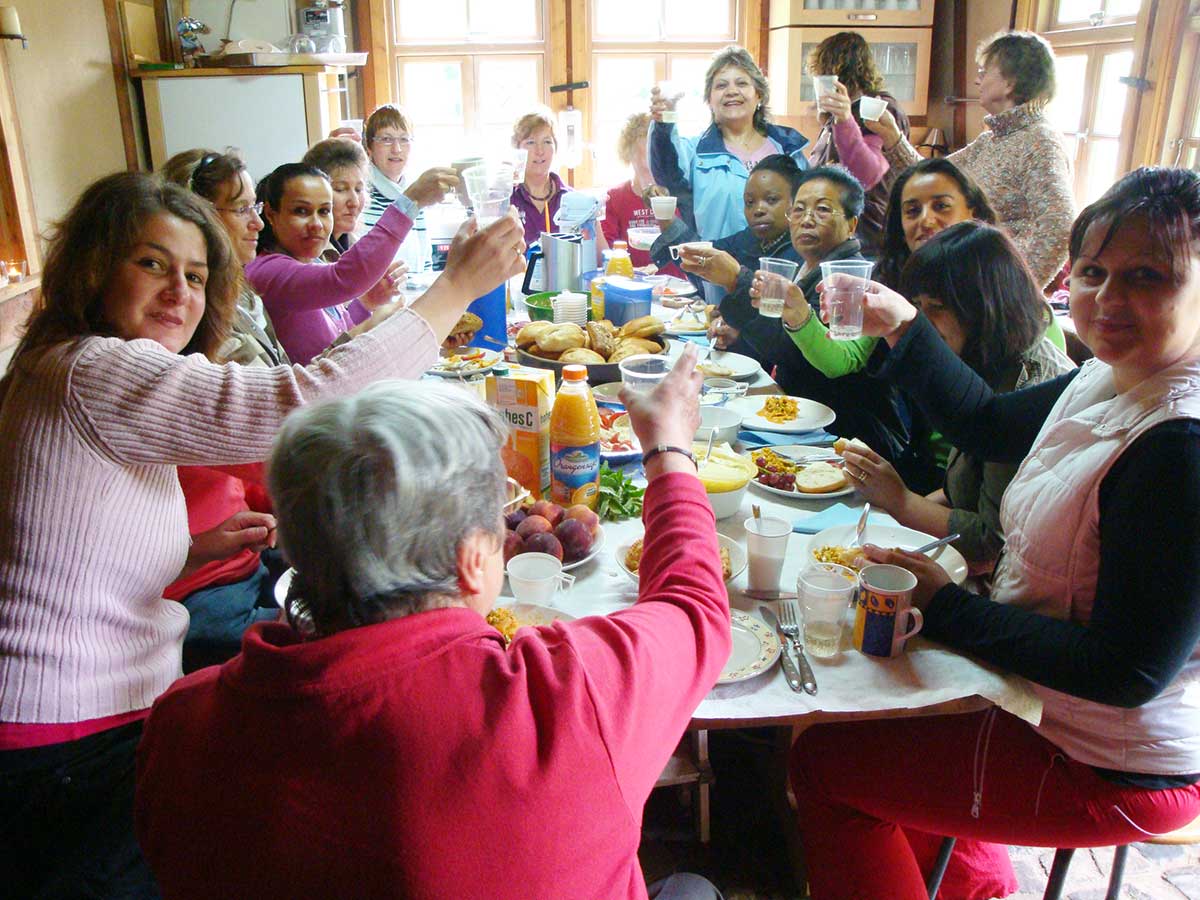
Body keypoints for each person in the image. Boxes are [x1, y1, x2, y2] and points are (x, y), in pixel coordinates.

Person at [0, 171, 525, 898]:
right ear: (94, 265)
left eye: (196, 273)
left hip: (71, 728)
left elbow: (53, 547)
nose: (180, 290)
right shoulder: (94, 369)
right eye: (151, 263)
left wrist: (192, 550)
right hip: (69, 745)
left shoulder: (57, 366)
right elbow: (300, 405)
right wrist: (453, 290)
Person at [134, 351, 731, 900]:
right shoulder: (565, 696)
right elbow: (694, 607)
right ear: (474, 561)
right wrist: (668, 449)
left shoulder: (181, 725)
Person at [790, 167, 1200, 900]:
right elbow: (984, 421)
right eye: (1093, 271)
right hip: (1048, 700)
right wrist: (905, 326)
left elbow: (1127, 672)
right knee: (860, 698)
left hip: (1109, 758)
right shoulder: (1108, 373)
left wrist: (946, 605)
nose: (1107, 298)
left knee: (824, 765)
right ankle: (971, 886)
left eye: (1147, 275)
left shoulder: (1180, 446)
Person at [841, 221, 1074, 570]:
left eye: (936, 307)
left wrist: (900, 501)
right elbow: (961, 494)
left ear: (985, 308)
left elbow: (991, 545)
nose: (923, 321)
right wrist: (892, 509)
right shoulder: (982, 359)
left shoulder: (1028, 386)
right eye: (917, 306)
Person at [753, 165, 926, 488]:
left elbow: (840, 363)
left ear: (852, 224)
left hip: (853, 442)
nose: (806, 219)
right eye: (799, 209)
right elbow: (779, 348)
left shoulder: (865, 281)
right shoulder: (800, 269)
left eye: (822, 209)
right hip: (802, 429)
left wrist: (797, 315)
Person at [866, 30, 1074, 289]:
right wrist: (893, 137)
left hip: (993, 297)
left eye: (984, 72)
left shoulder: (1040, 141)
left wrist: (1015, 290)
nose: (978, 81)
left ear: (1010, 83)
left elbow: (1060, 226)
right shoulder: (990, 141)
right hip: (966, 285)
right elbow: (930, 178)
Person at [247, 161, 454, 365]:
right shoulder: (265, 270)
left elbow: (340, 336)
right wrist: (412, 200)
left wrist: (367, 303)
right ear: (271, 215)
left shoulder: (312, 264)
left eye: (324, 211)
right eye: (301, 211)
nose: (317, 225)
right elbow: (345, 278)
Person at [648, 45, 809, 242]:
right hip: (714, 266)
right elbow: (667, 175)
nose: (732, 91)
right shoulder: (695, 152)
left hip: (780, 266)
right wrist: (665, 119)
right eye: (721, 85)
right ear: (709, 100)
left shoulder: (787, 149)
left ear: (759, 94)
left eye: (742, 83)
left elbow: (806, 208)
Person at [648, 153, 802, 354]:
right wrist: (666, 217)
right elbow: (703, 258)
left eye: (771, 199)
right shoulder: (747, 239)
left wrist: (737, 279)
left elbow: (786, 340)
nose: (758, 210)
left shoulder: (803, 253)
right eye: (749, 202)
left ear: (797, 203)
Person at [805, 31, 910, 254]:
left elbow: (866, 175)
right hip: (837, 235)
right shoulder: (837, 116)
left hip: (867, 237)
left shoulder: (878, 109)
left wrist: (844, 119)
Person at [359, 104, 456, 273]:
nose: (396, 149)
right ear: (369, 147)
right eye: (386, 139)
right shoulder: (361, 195)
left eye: (404, 139)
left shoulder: (416, 194)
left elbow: (425, 263)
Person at [602, 112, 669, 269]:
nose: (656, 156)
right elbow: (606, 254)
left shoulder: (679, 197)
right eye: (649, 149)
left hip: (677, 288)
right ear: (629, 153)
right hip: (631, 286)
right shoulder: (614, 198)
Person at [510, 108, 573, 247]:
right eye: (531, 142)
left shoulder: (571, 199)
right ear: (517, 150)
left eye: (547, 142)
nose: (540, 151)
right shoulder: (507, 198)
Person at [302, 137, 371, 257]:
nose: (354, 202)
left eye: (359, 190)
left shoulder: (358, 248)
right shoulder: (305, 254)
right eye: (340, 189)